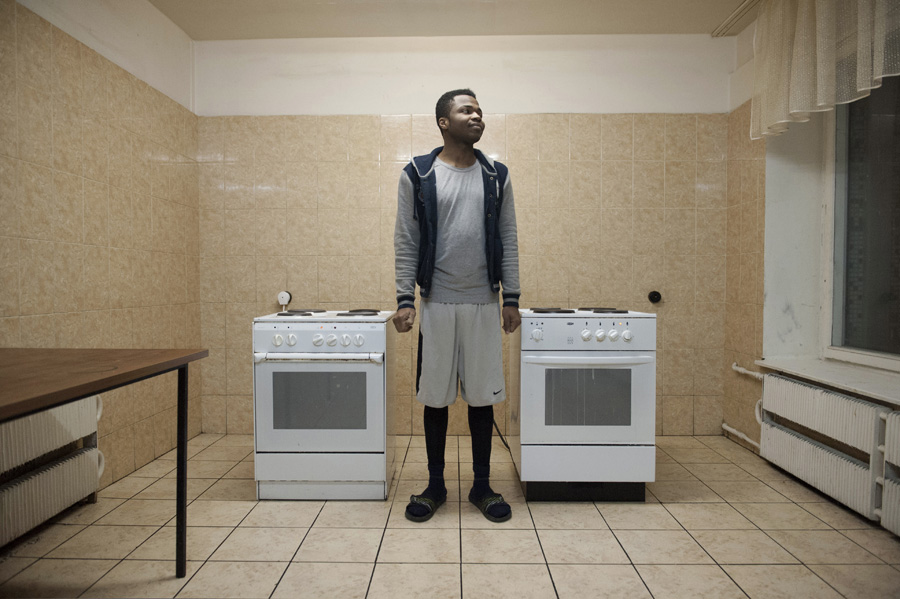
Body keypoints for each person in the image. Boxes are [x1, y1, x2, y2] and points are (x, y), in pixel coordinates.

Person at [393, 89, 521, 523]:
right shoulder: (418, 173)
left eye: (480, 109)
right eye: (467, 109)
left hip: (484, 302)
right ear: (444, 122)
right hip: (437, 304)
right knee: (436, 398)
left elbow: (509, 239)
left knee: (482, 399)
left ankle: (482, 487)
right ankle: (434, 485)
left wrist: (512, 298)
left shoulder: (496, 175)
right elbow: (407, 241)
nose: (477, 115)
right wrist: (405, 299)